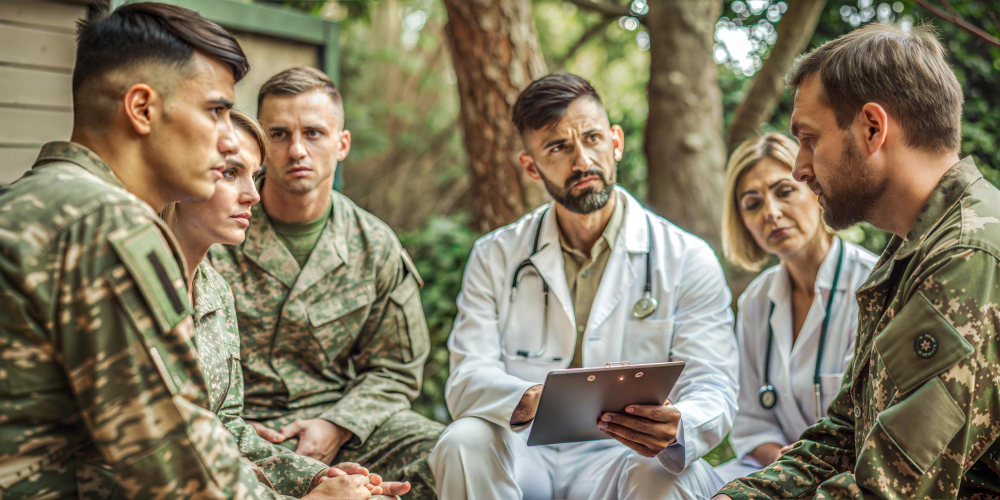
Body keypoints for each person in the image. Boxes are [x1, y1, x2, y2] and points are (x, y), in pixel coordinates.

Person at [0, 3, 365, 498]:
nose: (224, 138)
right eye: (214, 110)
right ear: (143, 109)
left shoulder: (34, 199)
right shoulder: (107, 225)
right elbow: (177, 471)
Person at [714, 23, 1000, 499]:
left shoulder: (967, 256)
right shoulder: (909, 252)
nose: (800, 168)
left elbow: (890, 487)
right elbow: (846, 434)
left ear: (872, 128)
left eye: (808, 139)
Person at [429, 73, 739, 500]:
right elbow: (466, 376)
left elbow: (714, 383)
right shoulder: (495, 254)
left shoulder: (687, 257)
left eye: (592, 138)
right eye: (558, 147)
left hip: (624, 455)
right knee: (464, 442)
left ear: (615, 141)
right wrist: (532, 400)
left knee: (663, 472)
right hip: (526, 451)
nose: (582, 161)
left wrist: (680, 423)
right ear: (530, 166)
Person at [208, 67, 442, 499]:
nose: (296, 149)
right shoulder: (217, 227)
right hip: (240, 423)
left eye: (313, 133)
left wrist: (336, 424)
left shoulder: (373, 245)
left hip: (338, 422)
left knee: (441, 453)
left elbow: (395, 370)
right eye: (278, 134)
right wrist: (233, 428)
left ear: (342, 143)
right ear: (260, 144)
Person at [158, 110, 406, 499]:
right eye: (229, 173)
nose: (253, 195)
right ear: (177, 176)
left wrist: (314, 478)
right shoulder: (136, 292)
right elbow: (167, 459)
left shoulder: (216, 291)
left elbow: (227, 427)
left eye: (253, 176)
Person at [713, 133, 876, 481]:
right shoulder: (756, 302)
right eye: (752, 204)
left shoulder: (871, 284)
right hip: (775, 471)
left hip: (849, 476)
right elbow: (750, 419)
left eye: (783, 191)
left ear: (815, 188)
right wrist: (778, 456)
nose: (771, 213)